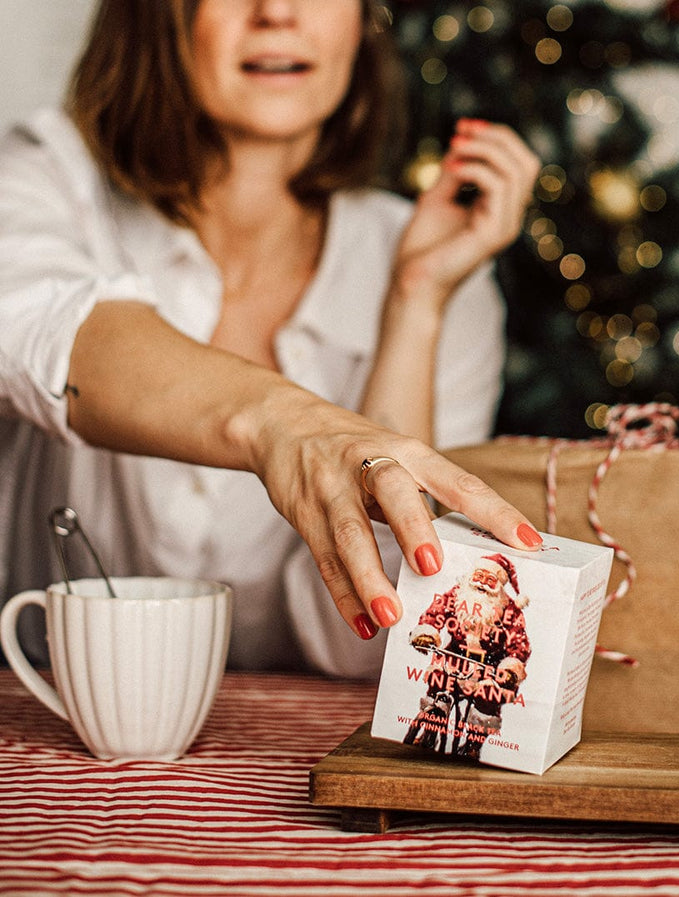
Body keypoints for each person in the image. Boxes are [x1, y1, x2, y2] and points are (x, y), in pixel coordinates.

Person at [0, 0, 542, 676]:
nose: (278, 12)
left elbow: (366, 645)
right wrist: (287, 423)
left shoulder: (432, 259)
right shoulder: (48, 176)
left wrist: (416, 303)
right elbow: (39, 330)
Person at [405, 553, 530, 759]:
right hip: (454, 658)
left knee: (487, 699)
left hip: (490, 667)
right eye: (479, 577)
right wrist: (426, 633)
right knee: (439, 684)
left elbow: (519, 641)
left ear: (500, 584)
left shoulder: (510, 609)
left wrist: (510, 669)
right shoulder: (456, 595)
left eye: (490, 581)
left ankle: (473, 744)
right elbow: (436, 612)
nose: (482, 585)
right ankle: (430, 730)